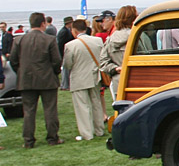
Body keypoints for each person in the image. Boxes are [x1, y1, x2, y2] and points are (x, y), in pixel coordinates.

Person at [9, 12, 63, 147]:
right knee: (50, 110)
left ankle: (28, 140)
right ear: (43, 24)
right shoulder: (49, 40)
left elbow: (13, 61)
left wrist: (21, 72)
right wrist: (54, 73)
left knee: (28, 111)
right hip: (47, 79)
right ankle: (52, 138)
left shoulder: (19, 40)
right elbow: (56, 61)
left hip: (26, 80)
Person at [63, 19, 107, 140]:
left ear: (74, 30)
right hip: (95, 76)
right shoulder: (97, 41)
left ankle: (87, 133)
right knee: (96, 103)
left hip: (79, 78)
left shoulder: (70, 45)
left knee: (82, 106)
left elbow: (67, 64)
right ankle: (99, 129)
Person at [100, 5, 139, 98]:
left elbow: (102, 62)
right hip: (138, 79)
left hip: (119, 82)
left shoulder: (111, 39)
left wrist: (115, 68)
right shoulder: (138, 36)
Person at [56, 16, 74, 90]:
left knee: (66, 70)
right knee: (65, 70)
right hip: (64, 53)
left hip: (65, 52)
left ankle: (65, 85)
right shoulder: (64, 32)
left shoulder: (66, 30)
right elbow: (60, 44)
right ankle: (65, 85)